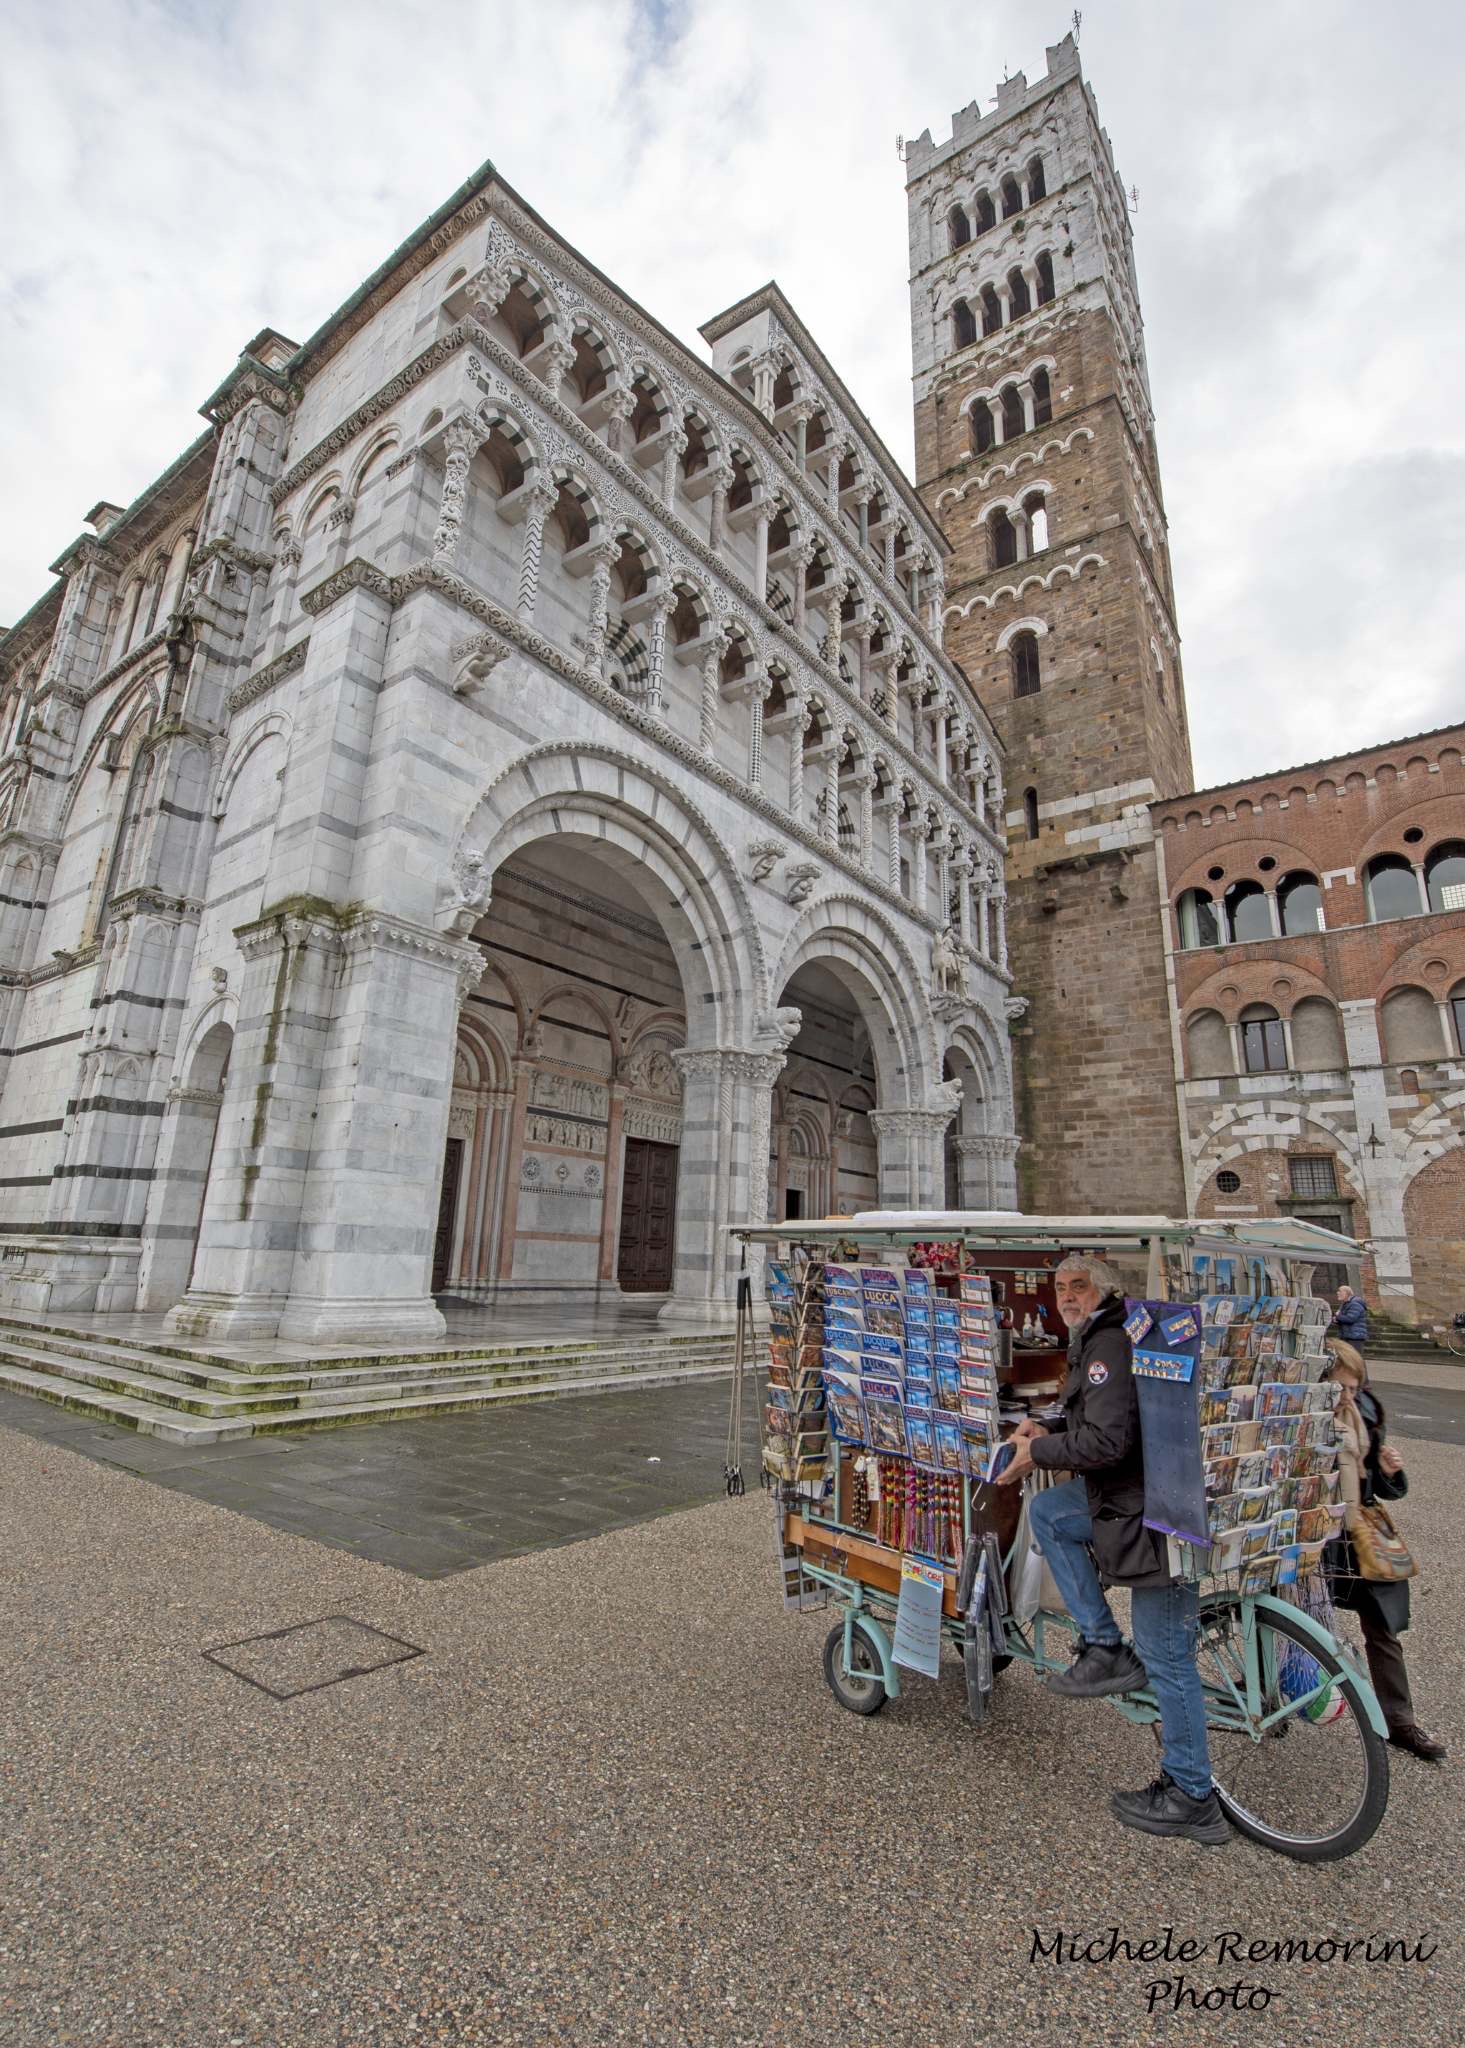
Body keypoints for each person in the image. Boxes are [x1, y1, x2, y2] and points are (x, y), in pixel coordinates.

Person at [999, 1253, 1228, 1845]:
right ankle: (1102, 1643)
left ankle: (1190, 1794)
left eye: (1079, 1286)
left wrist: (1038, 1453)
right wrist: (1048, 1428)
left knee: (1168, 1657)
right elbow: (1094, 1417)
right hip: (1133, 1497)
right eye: (1061, 1287)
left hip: (1151, 1512)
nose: (1068, 1296)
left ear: (1103, 1290)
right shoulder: (1104, 1333)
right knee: (1050, 1512)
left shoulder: (1107, 1345)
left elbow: (1107, 1440)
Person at [1325, 1339, 1446, 1763]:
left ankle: (1400, 1722)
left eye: (1353, 1389)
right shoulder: (1305, 1417)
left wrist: (1390, 1471)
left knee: (1382, 1627)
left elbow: (1378, 1485)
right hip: (1318, 1532)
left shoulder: (1366, 1415)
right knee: (1295, 1619)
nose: (1346, 1397)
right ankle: (1276, 1697)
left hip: (1361, 1530)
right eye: (1337, 1388)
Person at [1332, 1284, 1369, 1355]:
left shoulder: (1355, 1304)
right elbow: (1344, 1319)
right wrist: (1336, 1320)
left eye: (1340, 1291)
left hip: (1355, 1337)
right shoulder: (1345, 1304)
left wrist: (1337, 1317)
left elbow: (1350, 1319)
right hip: (1347, 1335)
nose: (1337, 1293)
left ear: (1346, 1293)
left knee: (1355, 1359)